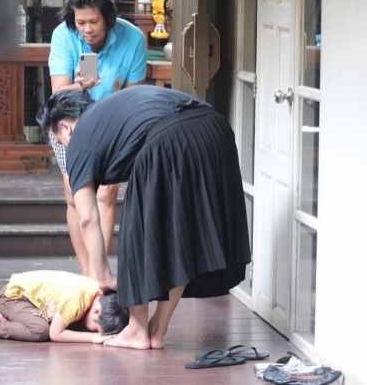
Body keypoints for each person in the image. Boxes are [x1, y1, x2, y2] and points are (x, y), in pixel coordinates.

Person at [36, 85, 251, 350]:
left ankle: (137, 331)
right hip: (215, 131)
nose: (63, 146)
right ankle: (157, 330)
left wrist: (102, 275)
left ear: (66, 126)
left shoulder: (80, 140)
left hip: (171, 137)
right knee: (181, 235)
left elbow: (87, 218)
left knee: (138, 232)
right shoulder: (112, 111)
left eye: (59, 140)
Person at [47, 0, 147, 278]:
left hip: (113, 121)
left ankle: (98, 273)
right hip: (71, 121)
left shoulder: (132, 38)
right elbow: (58, 95)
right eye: (81, 23)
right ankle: (87, 272)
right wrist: (80, 86)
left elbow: (134, 96)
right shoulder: (64, 36)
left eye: (94, 21)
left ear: (108, 18)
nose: (87, 29)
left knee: (106, 193)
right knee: (74, 194)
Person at [0, 269, 129, 343]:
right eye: (96, 327)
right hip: (13, 297)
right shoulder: (77, 300)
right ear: (97, 310)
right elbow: (55, 334)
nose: (93, 330)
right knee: (40, 331)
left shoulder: (97, 294)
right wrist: (94, 337)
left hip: (33, 301)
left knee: (76, 327)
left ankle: (15, 320)